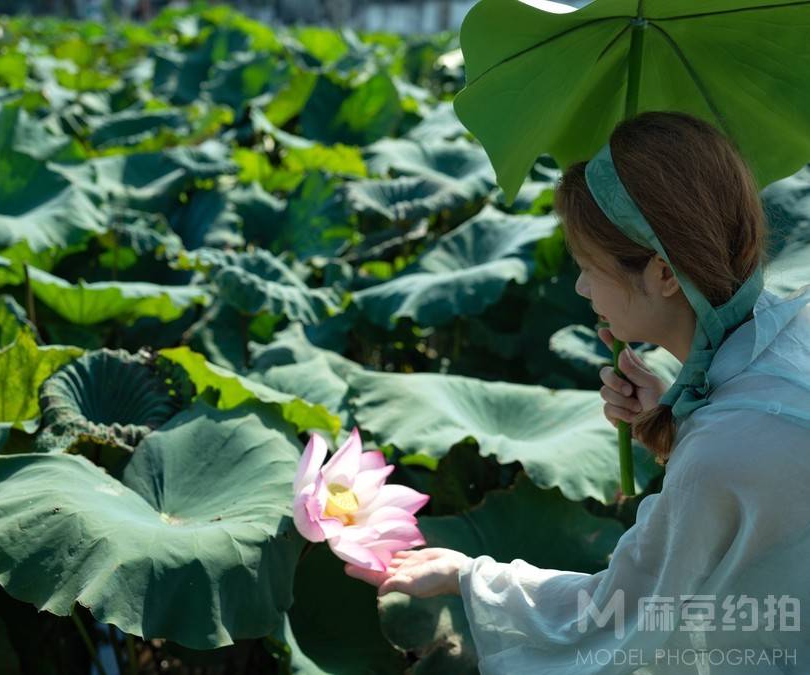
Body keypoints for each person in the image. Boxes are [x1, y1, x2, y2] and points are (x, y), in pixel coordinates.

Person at [345, 111, 810, 674]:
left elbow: (617, 619)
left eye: (590, 266)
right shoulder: (791, 335)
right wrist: (677, 421)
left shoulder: (721, 451)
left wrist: (469, 577)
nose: (582, 286)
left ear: (664, 273)